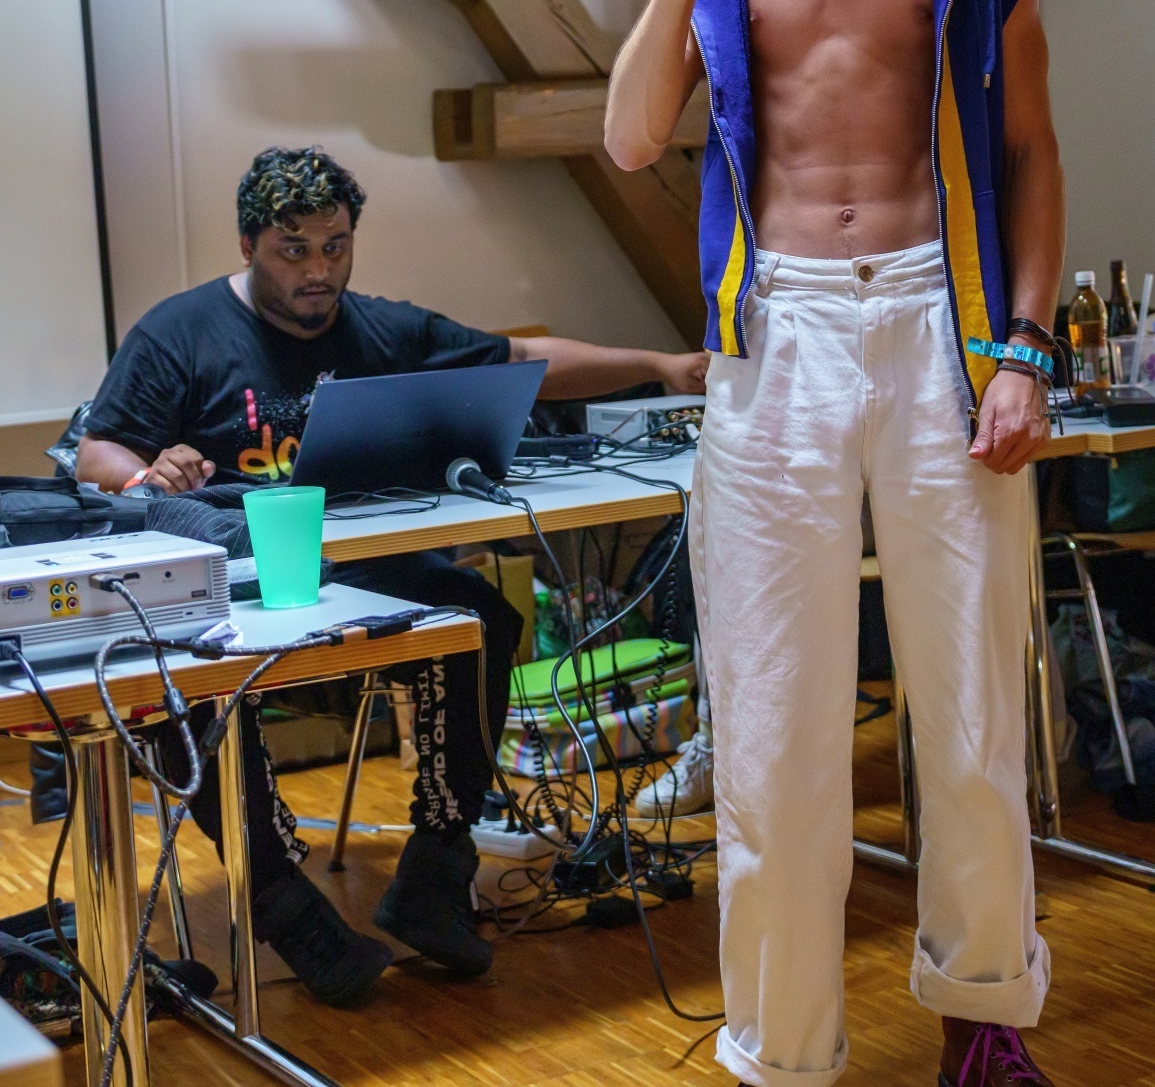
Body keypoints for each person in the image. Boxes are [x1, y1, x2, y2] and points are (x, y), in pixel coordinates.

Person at [609, 0, 1063, 1087]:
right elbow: (632, 133)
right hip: (775, 333)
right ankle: (780, 1047)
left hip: (944, 322)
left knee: (972, 703)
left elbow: (1028, 152)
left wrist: (1023, 348)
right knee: (774, 725)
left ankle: (986, 1012)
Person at [73, 146, 707, 1006]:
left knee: (477, 618)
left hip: (357, 572)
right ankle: (282, 902)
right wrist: (148, 474)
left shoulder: (379, 329)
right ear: (248, 246)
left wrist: (660, 365)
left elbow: (519, 355)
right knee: (187, 677)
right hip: (238, 585)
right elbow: (96, 451)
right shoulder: (179, 333)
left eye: (335, 247)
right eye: (294, 251)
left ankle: (436, 873)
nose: (318, 270)